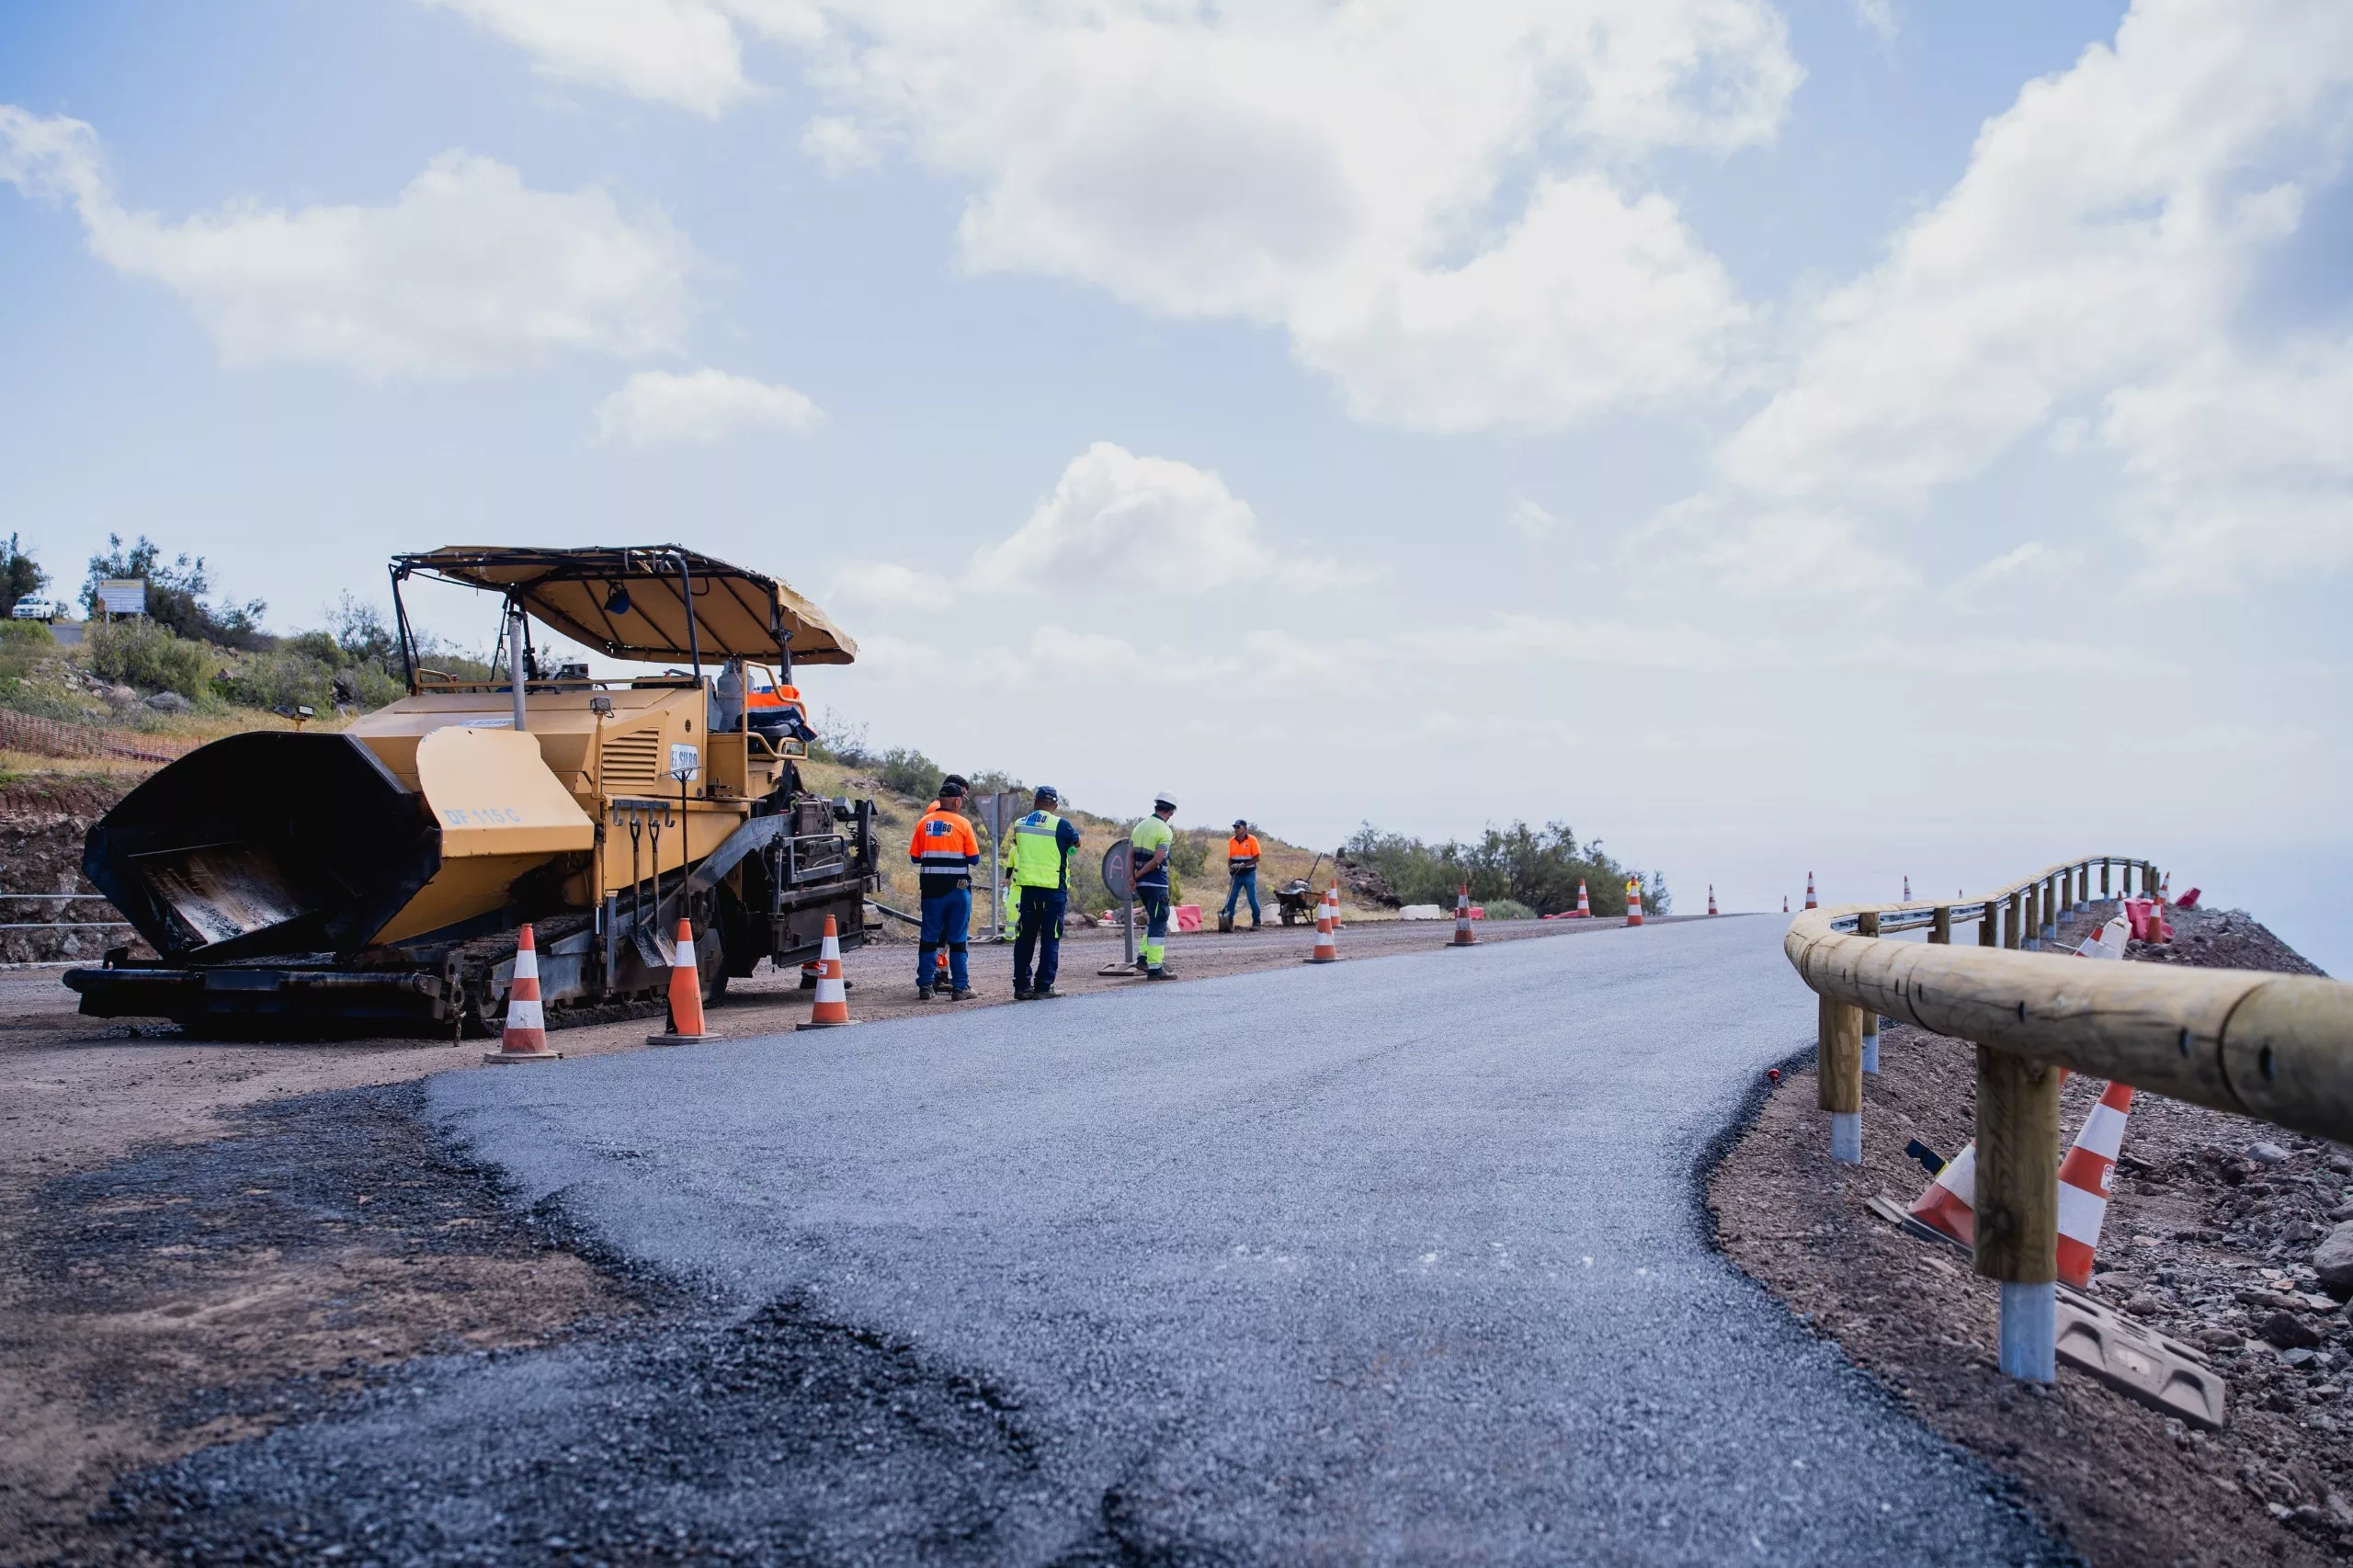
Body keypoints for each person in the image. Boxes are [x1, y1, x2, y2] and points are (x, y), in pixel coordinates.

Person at [1005, 785, 1082, 1000]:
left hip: (1028, 891)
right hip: (1053, 892)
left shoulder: (1020, 825)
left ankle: (1021, 986)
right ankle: (1043, 986)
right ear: (1055, 805)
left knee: (1024, 938)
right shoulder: (1061, 824)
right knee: (1050, 938)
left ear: (1035, 802)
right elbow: (1076, 842)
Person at [909, 777, 981, 1000]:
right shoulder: (963, 824)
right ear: (957, 802)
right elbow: (975, 858)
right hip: (957, 891)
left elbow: (914, 857)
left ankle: (926, 986)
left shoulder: (923, 823)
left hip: (930, 890)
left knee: (928, 938)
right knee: (958, 939)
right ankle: (961, 987)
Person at [1129, 792, 1178, 979]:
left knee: (1153, 918)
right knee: (1159, 921)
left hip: (1141, 885)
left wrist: (1132, 877)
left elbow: (1130, 855)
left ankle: (1143, 958)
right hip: (1157, 883)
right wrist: (1140, 873)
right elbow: (1158, 859)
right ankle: (1155, 968)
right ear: (1171, 812)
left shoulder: (1139, 827)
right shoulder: (1165, 831)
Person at [1222, 818, 1262, 929]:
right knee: (1232, 898)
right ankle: (1228, 923)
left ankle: (1257, 922)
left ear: (1245, 829)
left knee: (1251, 898)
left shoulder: (1252, 840)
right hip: (1237, 875)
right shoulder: (1232, 841)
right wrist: (1230, 868)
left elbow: (1257, 858)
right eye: (1235, 827)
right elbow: (1230, 858)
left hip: (1249, 873)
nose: (1236, 829)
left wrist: (1244, 865)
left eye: (1238, 827)